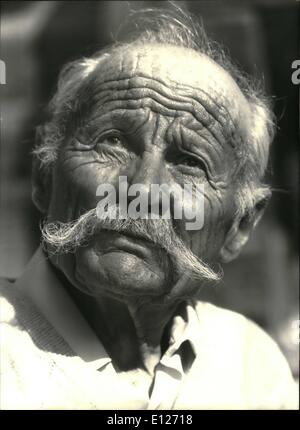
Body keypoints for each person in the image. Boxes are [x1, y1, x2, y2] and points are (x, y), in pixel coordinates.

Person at [0, 8, 298, 410]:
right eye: (113, 142)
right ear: (44, 174)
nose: (141, 189)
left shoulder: (251, 366)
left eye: (190, 163)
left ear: (240, 226)